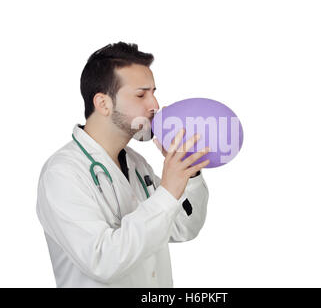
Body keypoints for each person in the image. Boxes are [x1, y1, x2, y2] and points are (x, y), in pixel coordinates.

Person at [36, 42, 210, 288]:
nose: (155, 105)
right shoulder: (62, 174)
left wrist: (188, 172)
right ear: (103, 103)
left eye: (154, 92)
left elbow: (183, 228)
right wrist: (168, 191)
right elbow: (103, 262)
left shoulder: (136, 163)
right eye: (141, 94)